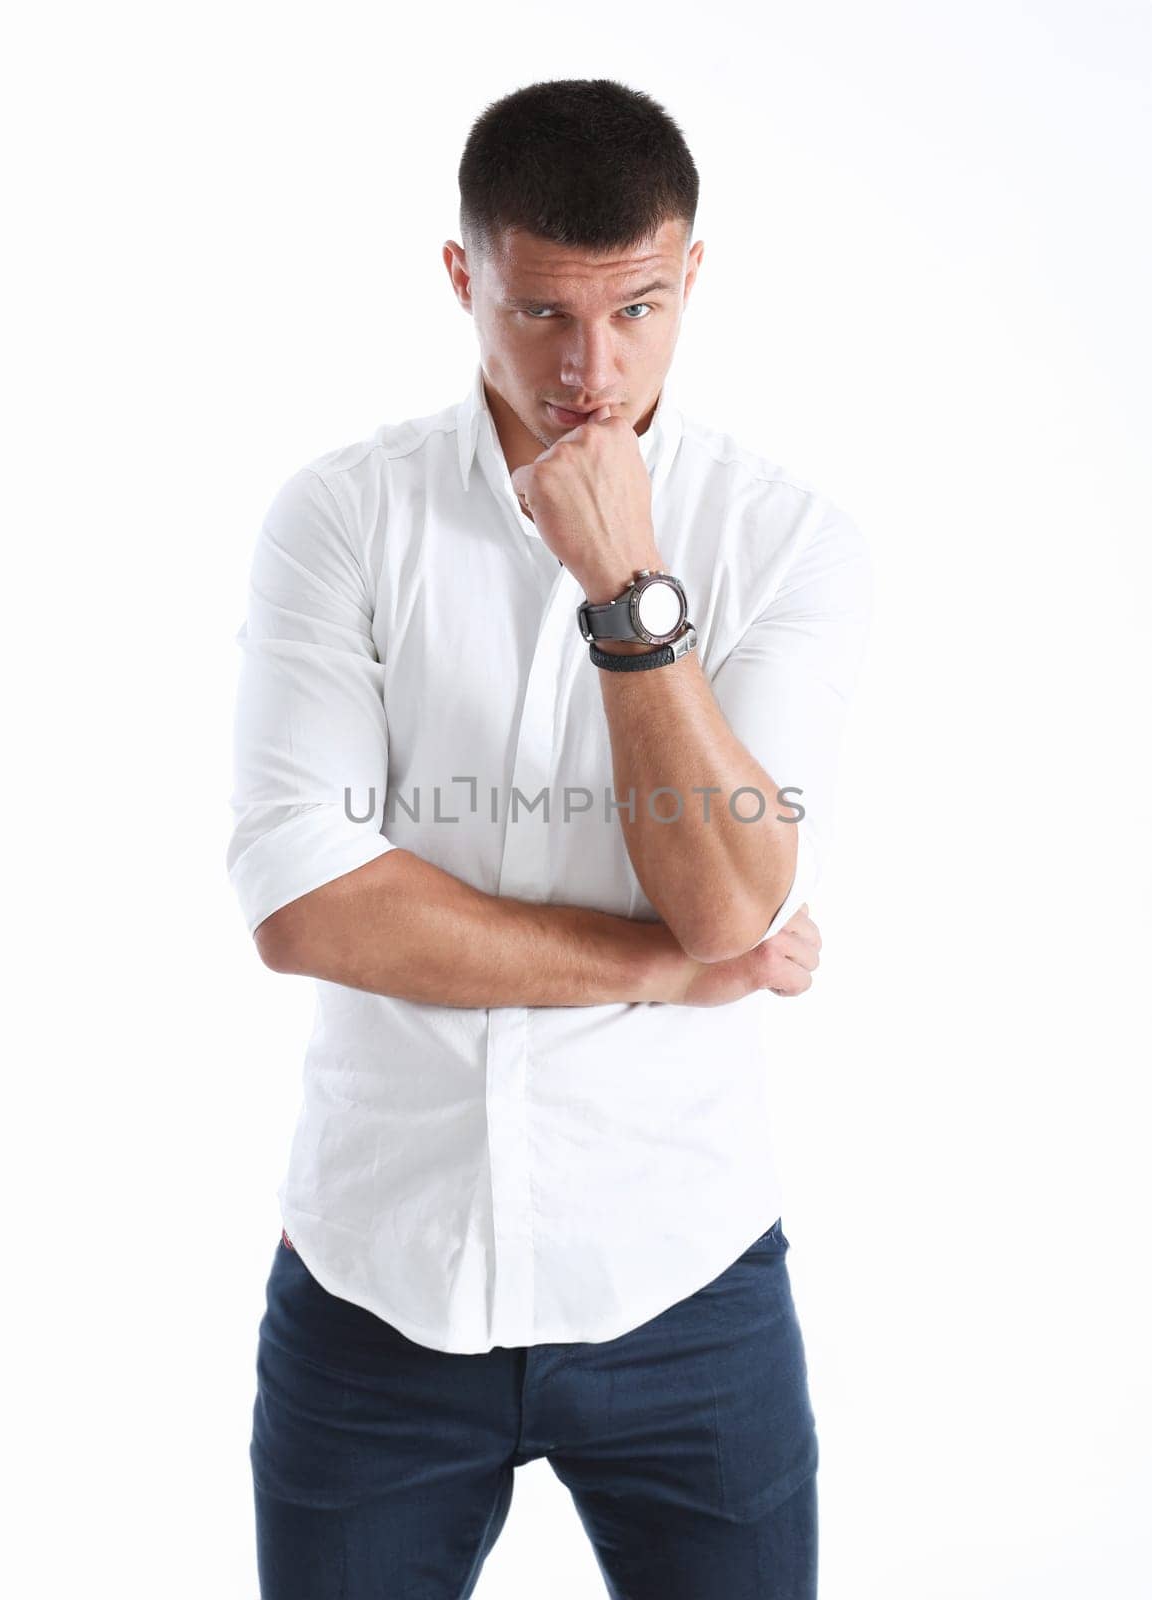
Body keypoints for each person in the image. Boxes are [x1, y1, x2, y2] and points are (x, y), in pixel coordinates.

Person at [228, 76, 874, 1600]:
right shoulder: (340, 517)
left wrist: (629, 592)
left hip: (683, 1283)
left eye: (637, 309)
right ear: (464, 279)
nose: (592, 368)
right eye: (539, 316)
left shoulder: (784, 542)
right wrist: (658, 972)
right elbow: (304, 903)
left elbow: (723, 904)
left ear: (691, 274)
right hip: (373, 1288)